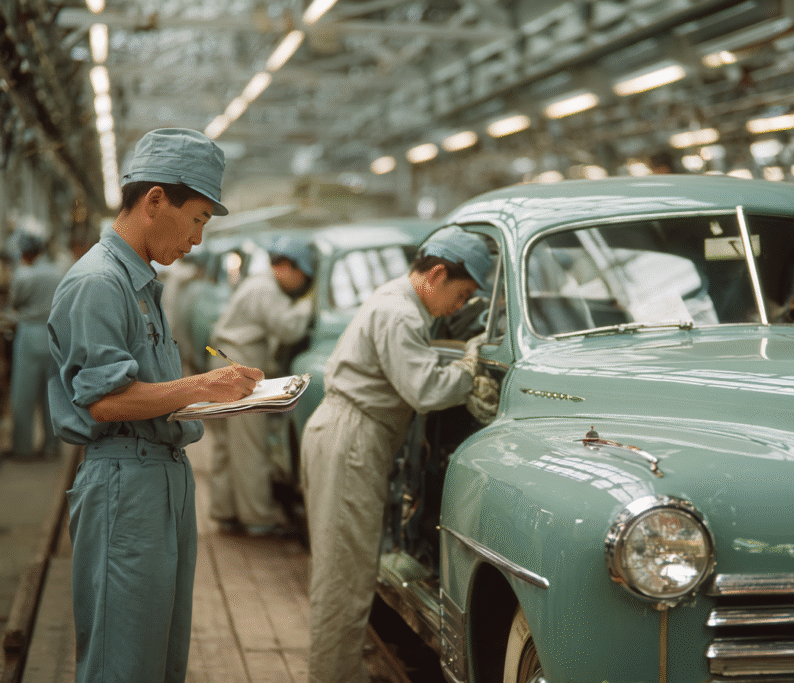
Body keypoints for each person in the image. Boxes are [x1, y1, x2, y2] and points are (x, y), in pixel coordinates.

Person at [47, 128, 263, 683]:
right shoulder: (100, 282)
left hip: (160, 479)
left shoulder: (139, 283)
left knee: (158, 658)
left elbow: (147, 390)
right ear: (155, 200)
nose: (197, 240)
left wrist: (217, 391)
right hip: (125, 486)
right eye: (197, 220)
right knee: (122, 662)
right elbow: (106, 402)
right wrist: (204, 386)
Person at [300, 226, 497, 683]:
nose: (462, 305)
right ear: (438, 274)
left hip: (350, 433)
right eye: (462, 294)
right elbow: (425, 389)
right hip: (352, 440)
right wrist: (470, 371)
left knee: (346, 570)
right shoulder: (401, 314)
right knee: (343, 578)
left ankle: (340, 671)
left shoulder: (397, 301)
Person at [209, 235, 316, 536]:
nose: (303, 284)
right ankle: (258, 519)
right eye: (304, 276)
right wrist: (309, 304)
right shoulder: (266, 288)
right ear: (287, 266)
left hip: (226, 362)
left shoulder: (257, 283)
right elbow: (290, 328)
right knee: (250, 445)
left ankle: (225, 511)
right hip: (239, 367)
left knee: (227, 445)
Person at [5, 233, 63, 459]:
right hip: (53, 334)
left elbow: (14, 303)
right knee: (51, 394)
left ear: (26, 254)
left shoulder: (23, 274)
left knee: (24, 395)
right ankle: (51, 446)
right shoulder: (57, 272)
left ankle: (23, 448)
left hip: (29, 334)